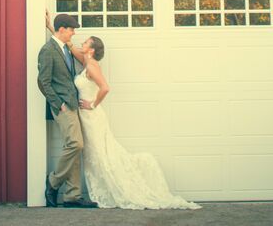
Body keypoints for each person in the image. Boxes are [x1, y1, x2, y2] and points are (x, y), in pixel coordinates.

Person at [46, 11, 199, 210]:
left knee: (99, 153)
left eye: (86, 43)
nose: (80, 41)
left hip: (91, 116)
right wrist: (52, 29)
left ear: (91, 50)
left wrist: (93, 104)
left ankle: (106, 187)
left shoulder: (92, 67)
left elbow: (105, 88)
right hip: (80, 114)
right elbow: (68, 45)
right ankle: (74, 194)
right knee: (85, 150)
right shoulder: (85, 62)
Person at [37, 12, 96, 208]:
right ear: (62, 29)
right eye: (71, 29)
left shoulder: (63, 47)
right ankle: (53, 182)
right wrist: (58, 104)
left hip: (73, 104)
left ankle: (73, 196)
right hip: (63, 106)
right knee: (76, 144)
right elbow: (44, 82)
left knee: (74, 147)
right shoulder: (48, 50)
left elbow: (62, 40)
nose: (73, 33)